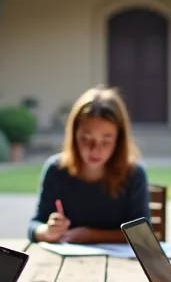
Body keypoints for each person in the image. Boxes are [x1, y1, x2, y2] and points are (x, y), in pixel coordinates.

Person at [30, 87, 150, 244]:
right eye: (86, 139)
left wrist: (90, 235)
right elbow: (35, 225)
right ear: (73, 135)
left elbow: (142, 235)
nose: (95, 150)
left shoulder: (134, 173)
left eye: (106, 140)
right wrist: (47, 231)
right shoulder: (56, 169)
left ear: (118, 140)